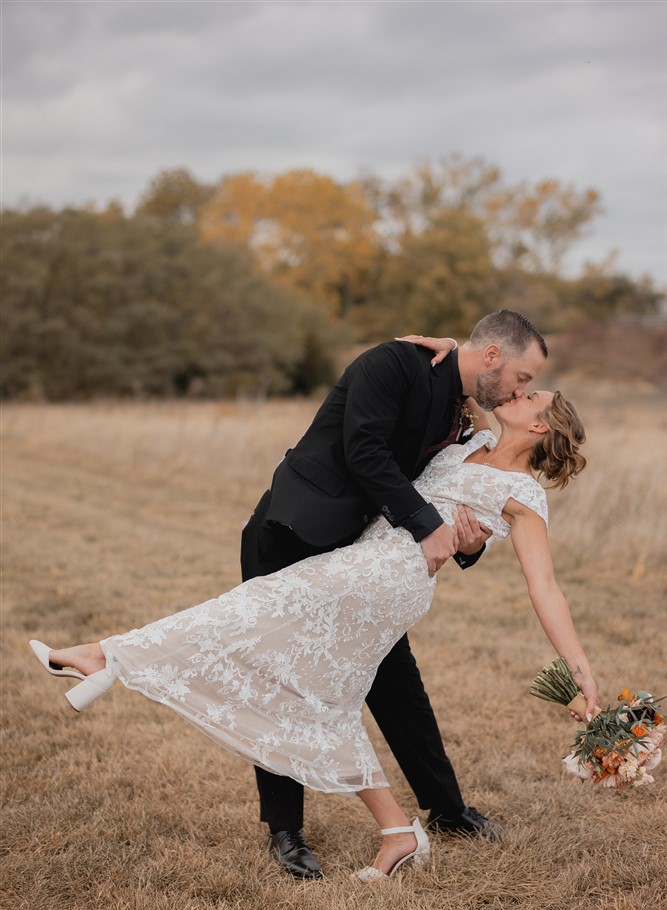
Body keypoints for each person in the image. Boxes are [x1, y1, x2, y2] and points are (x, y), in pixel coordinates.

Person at [30, 387, 597, 881]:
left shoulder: (525, 496)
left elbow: (544, 588)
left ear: (540, 425)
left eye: (530, 396)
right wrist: (430, 344)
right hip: (363, 559)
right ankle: (398, 832)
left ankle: (103, 655)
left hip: (386, 578)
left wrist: (580, 670)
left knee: (253, 608)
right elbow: (462, 372)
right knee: (325, 698)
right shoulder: (468, 442)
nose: (517, 394)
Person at [239, 309, 547, 878]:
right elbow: (365, 451)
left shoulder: (463, 417)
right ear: (493, 357)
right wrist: (429, 527)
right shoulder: (393, 363)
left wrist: (467, 543)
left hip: (360, 557)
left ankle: (448, 811)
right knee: (283, 679)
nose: (519, 391)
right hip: (291, 532)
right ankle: (285, 830)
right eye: (522, 378)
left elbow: (441, 490)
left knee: (396, 677)